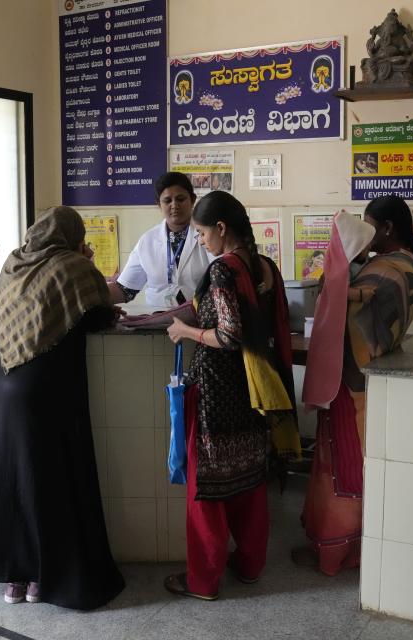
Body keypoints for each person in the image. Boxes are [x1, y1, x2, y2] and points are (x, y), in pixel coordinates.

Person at [0, 207, 125, 609]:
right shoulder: (72, 265)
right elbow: (100, 313)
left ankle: (12, 578)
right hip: (37, 384)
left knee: (2, 482)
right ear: (72, 235)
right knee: (45, 481)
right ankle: (43, 579)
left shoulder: (15, 260)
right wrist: (87, 264)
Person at [296, 195, 413, 576]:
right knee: (350, 459)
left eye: (370, 223)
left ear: (387, 228)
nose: (366, 230)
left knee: (341, 462)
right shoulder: (400, 264)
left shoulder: (385, 271)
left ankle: (339, 548)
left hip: (353, 379)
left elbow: (342, 301)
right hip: (365, 380)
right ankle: (351, 543)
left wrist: (337, 272)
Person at [165, 191, 298, 600]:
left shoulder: (223, 269)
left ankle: (202, 581)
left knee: (207, 488)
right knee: (248, 481)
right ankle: (250, 565)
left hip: (218, 393)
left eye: (203, 233)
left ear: (221, 229)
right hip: (255, 390)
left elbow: (228, 334)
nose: (201, 241)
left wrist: (185, 331)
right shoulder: (265, 267)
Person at [108, 172, 212, 308]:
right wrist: (89, 297)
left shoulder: (208, 235)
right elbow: (125, 289)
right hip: (158, 321)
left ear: (192, 200)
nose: (174, 205)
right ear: (159, 204)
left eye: (180, 199)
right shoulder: (147, 241)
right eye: (167, 201)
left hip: (198, 320)